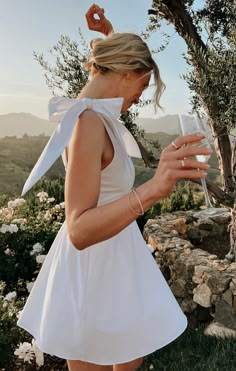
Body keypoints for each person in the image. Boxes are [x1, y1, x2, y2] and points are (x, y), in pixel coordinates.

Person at [17, 4, 212, 371]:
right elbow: (78, 229)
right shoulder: (88, 123)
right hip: (92, 277)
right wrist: (154, 188)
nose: (139, 97)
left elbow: (101, 84)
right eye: (141, 85)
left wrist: (110, 38)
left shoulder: (89, 110)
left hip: (116, 264)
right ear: (126, 74)